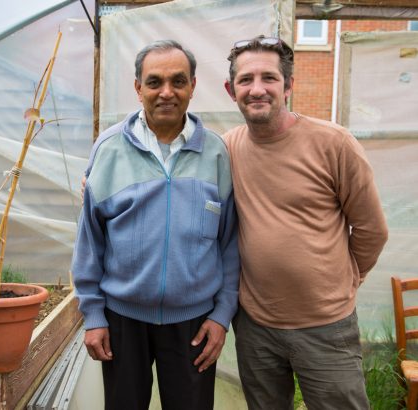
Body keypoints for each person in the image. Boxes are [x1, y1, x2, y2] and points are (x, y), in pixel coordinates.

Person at [222, 35, 389, 409]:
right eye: (246, 80)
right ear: (231, 89)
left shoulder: (334, 144)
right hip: (255, 325)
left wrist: (343, 281)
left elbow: (371, 229)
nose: (257, 89)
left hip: (326, 325)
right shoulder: (228, 148)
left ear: (289, 86)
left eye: (269, 78)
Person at [71, 40, 239, 410]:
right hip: (122, 320)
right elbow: (90, 240)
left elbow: (229, 244)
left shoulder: (214, 152)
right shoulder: (110, 148)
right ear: (138, 88)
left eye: (178, 81)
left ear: (193, 86)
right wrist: (94, 314)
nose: (167, 92)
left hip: (194, 321)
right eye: (154, 82)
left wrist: (222, 315)